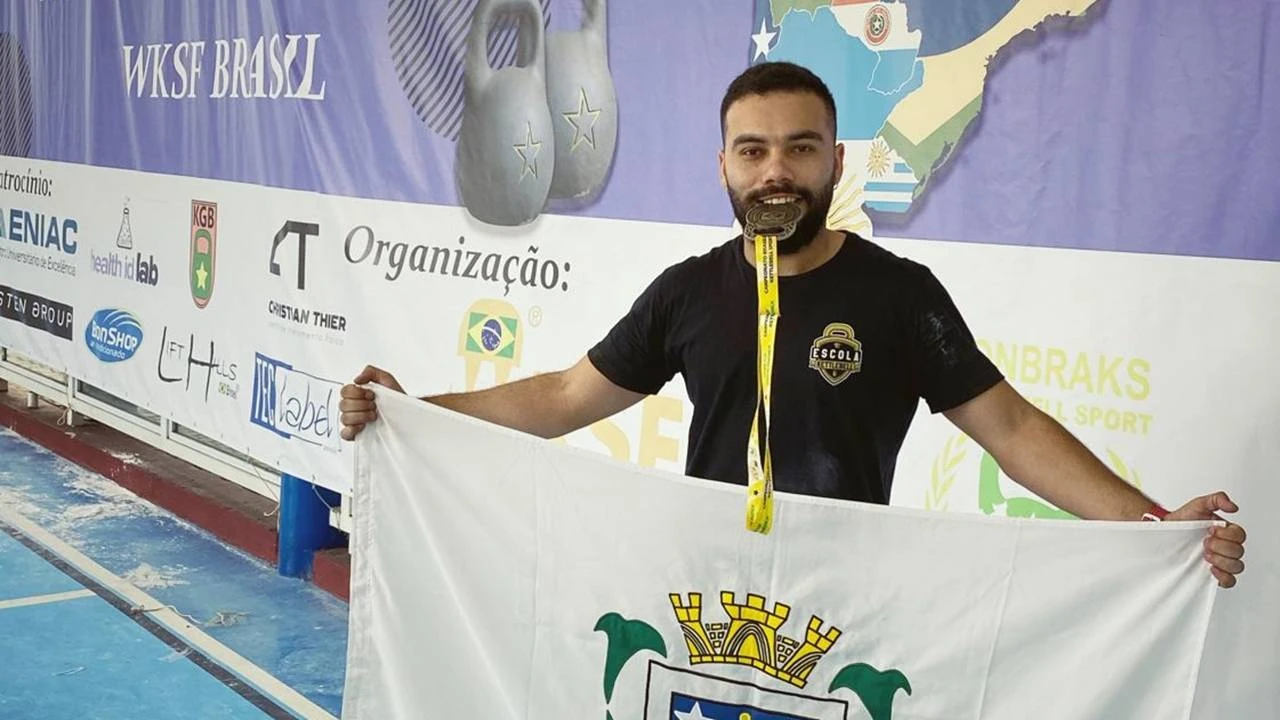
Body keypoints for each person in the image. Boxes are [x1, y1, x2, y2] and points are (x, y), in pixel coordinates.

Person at [339, 61, 1246, 588]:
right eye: (754, 150)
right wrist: (415, 409)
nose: (776, 171)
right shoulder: (688, 292)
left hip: (847, 602)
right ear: (725, 167)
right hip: (702, 596)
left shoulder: (902, 296)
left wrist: (1152, 523)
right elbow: (563, 396)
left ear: (835, 162)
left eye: (800, 148)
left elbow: (1009, 430)